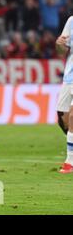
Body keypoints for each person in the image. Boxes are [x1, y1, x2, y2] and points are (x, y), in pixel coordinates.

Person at [55, 15, 73, 173]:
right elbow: (62, 51)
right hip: (69, 77)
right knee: (63, 119)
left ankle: (70, 161)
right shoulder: (71, 21)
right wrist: (59, 44)